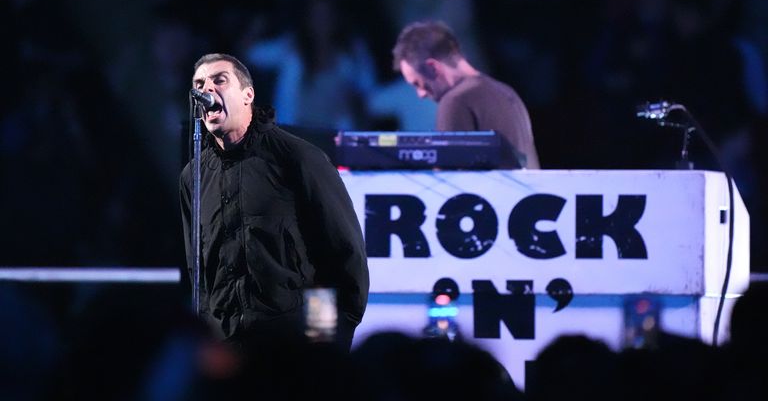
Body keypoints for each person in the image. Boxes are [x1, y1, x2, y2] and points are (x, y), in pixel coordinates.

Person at [179, 53, 369, 354]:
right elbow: (196, 272)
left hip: (293, 350)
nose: (207, 90)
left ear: (248, 95)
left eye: (219, 80)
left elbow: (342, 257)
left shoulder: (297, 158)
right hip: (227, 353)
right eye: (200, 83)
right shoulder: (194, 177)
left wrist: (324, 344)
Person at [392, 21, 541, 169]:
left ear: (433, 68)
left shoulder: (455, 101)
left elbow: (447, 183)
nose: (421, 94)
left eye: (418, 83)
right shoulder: (508, 92)